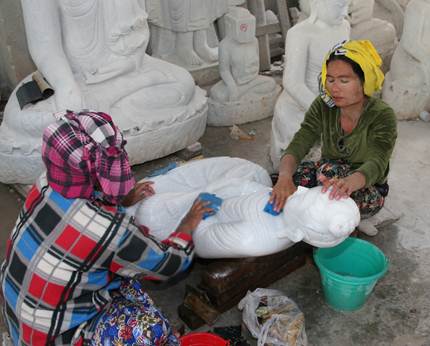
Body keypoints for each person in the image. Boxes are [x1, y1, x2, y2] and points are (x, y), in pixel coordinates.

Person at [0, 110, 212, 345]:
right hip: (54, 336)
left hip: (19, 311)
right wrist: (187, 224)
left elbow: (76, 214)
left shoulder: (45, 182)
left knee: (121, 274)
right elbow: (170, 264)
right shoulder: (111, 230)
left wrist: (119, 199)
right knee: (150, 328)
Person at [270, 40, 397, 233]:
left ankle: (351, 215)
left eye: (344, 80)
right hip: (327, 173)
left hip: (365, 186)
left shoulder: (382, 114)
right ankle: (333, 207)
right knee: (279, 179)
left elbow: (377, 162)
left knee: (327, 179)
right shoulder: (323, 106)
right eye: (330, 79)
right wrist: (284, 177)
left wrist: (348, 184)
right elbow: (301, 141)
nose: (334, 88)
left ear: (364, 81)